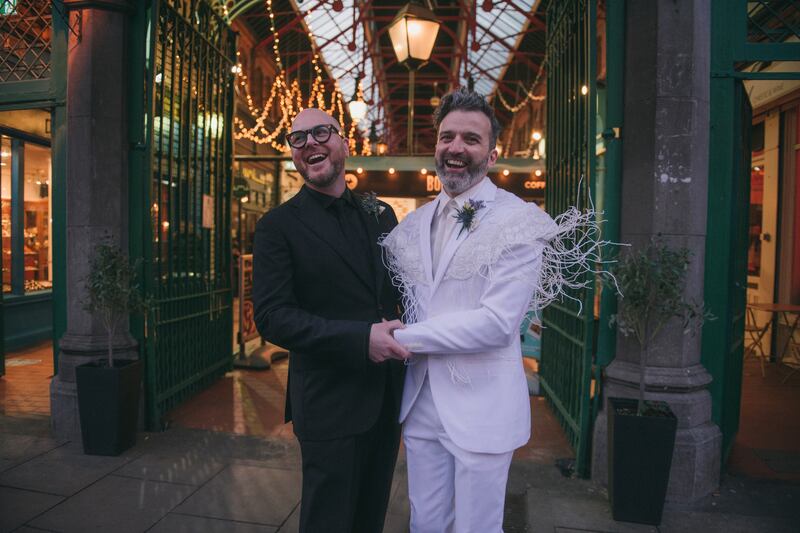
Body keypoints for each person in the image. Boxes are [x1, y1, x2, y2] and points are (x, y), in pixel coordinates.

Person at [381, 88, 560, 532]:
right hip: (421, 398)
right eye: (447, 137)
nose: (456, 148)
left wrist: (397, 340)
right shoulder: (414, 224)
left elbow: (498, 324)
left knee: (477, 528)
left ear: (493, 153)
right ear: (436, 146)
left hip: (483, 403)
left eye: (470, 139)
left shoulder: (517, 220)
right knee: (425, 522)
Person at [253, 108, 409, 533]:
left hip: (385, 398)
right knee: (329, 521)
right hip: (328, 401)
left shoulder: (381, 215)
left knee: (370, 517)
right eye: (298, 138)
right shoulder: (276, 227)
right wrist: (362, 339)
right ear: (293, 155)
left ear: (344, 142)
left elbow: (402, 294)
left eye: (321, 132)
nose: (310, 144)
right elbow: (273, 317)